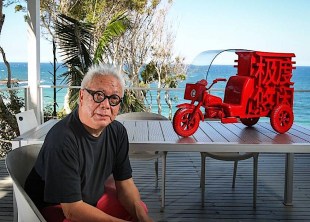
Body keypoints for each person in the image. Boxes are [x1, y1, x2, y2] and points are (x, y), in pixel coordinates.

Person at [25, 64, 153, 222]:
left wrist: (142, 216)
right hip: (56, 208)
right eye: (99, 95)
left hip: (90, 199)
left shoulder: (117, 132)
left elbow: (125, 183)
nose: (106, 105)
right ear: (81, 96)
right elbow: (72, 210)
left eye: (114, 99)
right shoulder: (63, 138)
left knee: (139, 210)